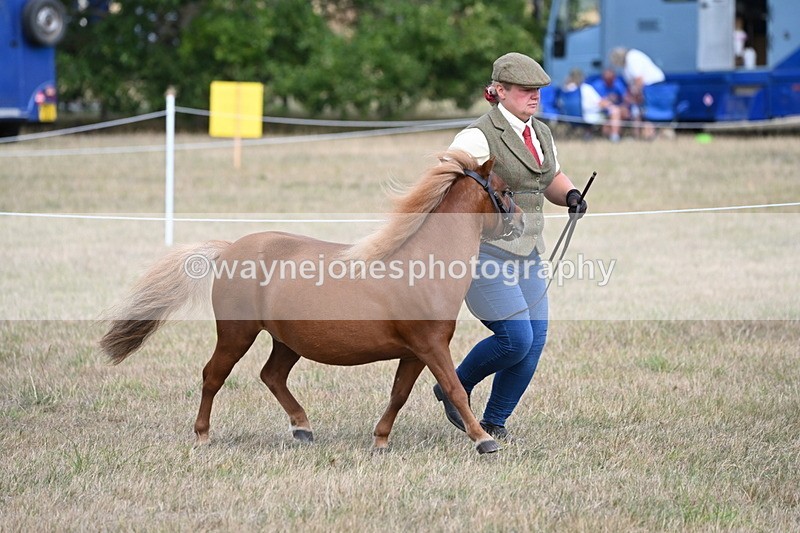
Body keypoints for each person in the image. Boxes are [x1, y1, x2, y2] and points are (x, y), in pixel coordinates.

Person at [432, 52, 587, 441]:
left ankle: (494, 422)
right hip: (484, 253)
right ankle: (455, 387)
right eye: (524, 90)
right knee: (514, 338)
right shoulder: (477, 137)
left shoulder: (541, 133)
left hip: (529, 251)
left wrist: (569, 194)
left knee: (534, 340)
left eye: (537, 91)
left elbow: (549, 178)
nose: (533, 97)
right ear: (499, 91)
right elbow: (447, 186)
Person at [610, 47, 665, 139]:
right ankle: (636, 135)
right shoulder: (626, 67)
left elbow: (639, 79)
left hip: (653, 87)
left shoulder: (632, 57)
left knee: (646, 111)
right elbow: (631, 84)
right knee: (635, 111)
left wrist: (635, 94)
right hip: (644, 88)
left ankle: (648, 134)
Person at [565, 67, 623, 142]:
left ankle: (591, 134)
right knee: (615, 111)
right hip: (590, 116)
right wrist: (610, 103)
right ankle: (614, 137)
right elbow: (601, 103)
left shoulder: (566, 90)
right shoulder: (586, 88)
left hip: (570, 117)